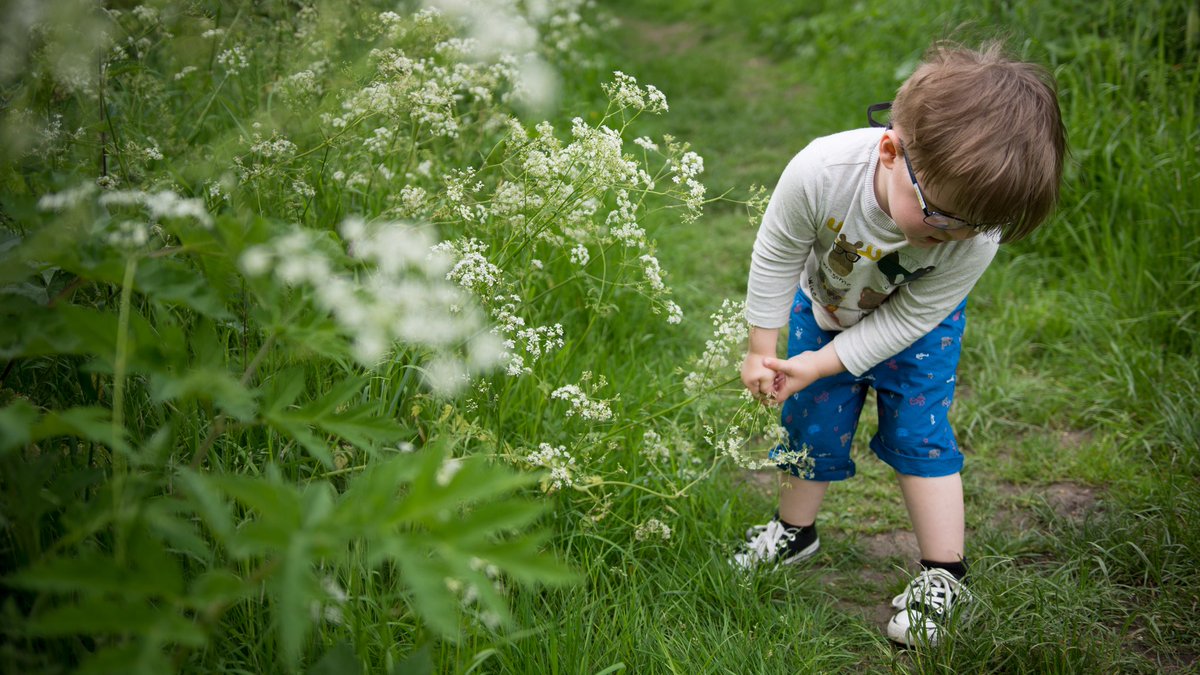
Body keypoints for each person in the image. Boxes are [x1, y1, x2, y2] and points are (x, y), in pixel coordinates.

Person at [733, 41, 1066, 647]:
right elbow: (777, 250)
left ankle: (944, 575)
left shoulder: (973, 234)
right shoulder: (821, 172)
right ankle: (794, 532)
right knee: (808, 421)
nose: (953, 237)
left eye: (972, 227)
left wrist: (828, 361)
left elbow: (909, 317)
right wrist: (764, 346)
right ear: (891, 151)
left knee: (920, 435)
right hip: (826, 304)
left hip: (918, 331)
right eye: (941, 218)